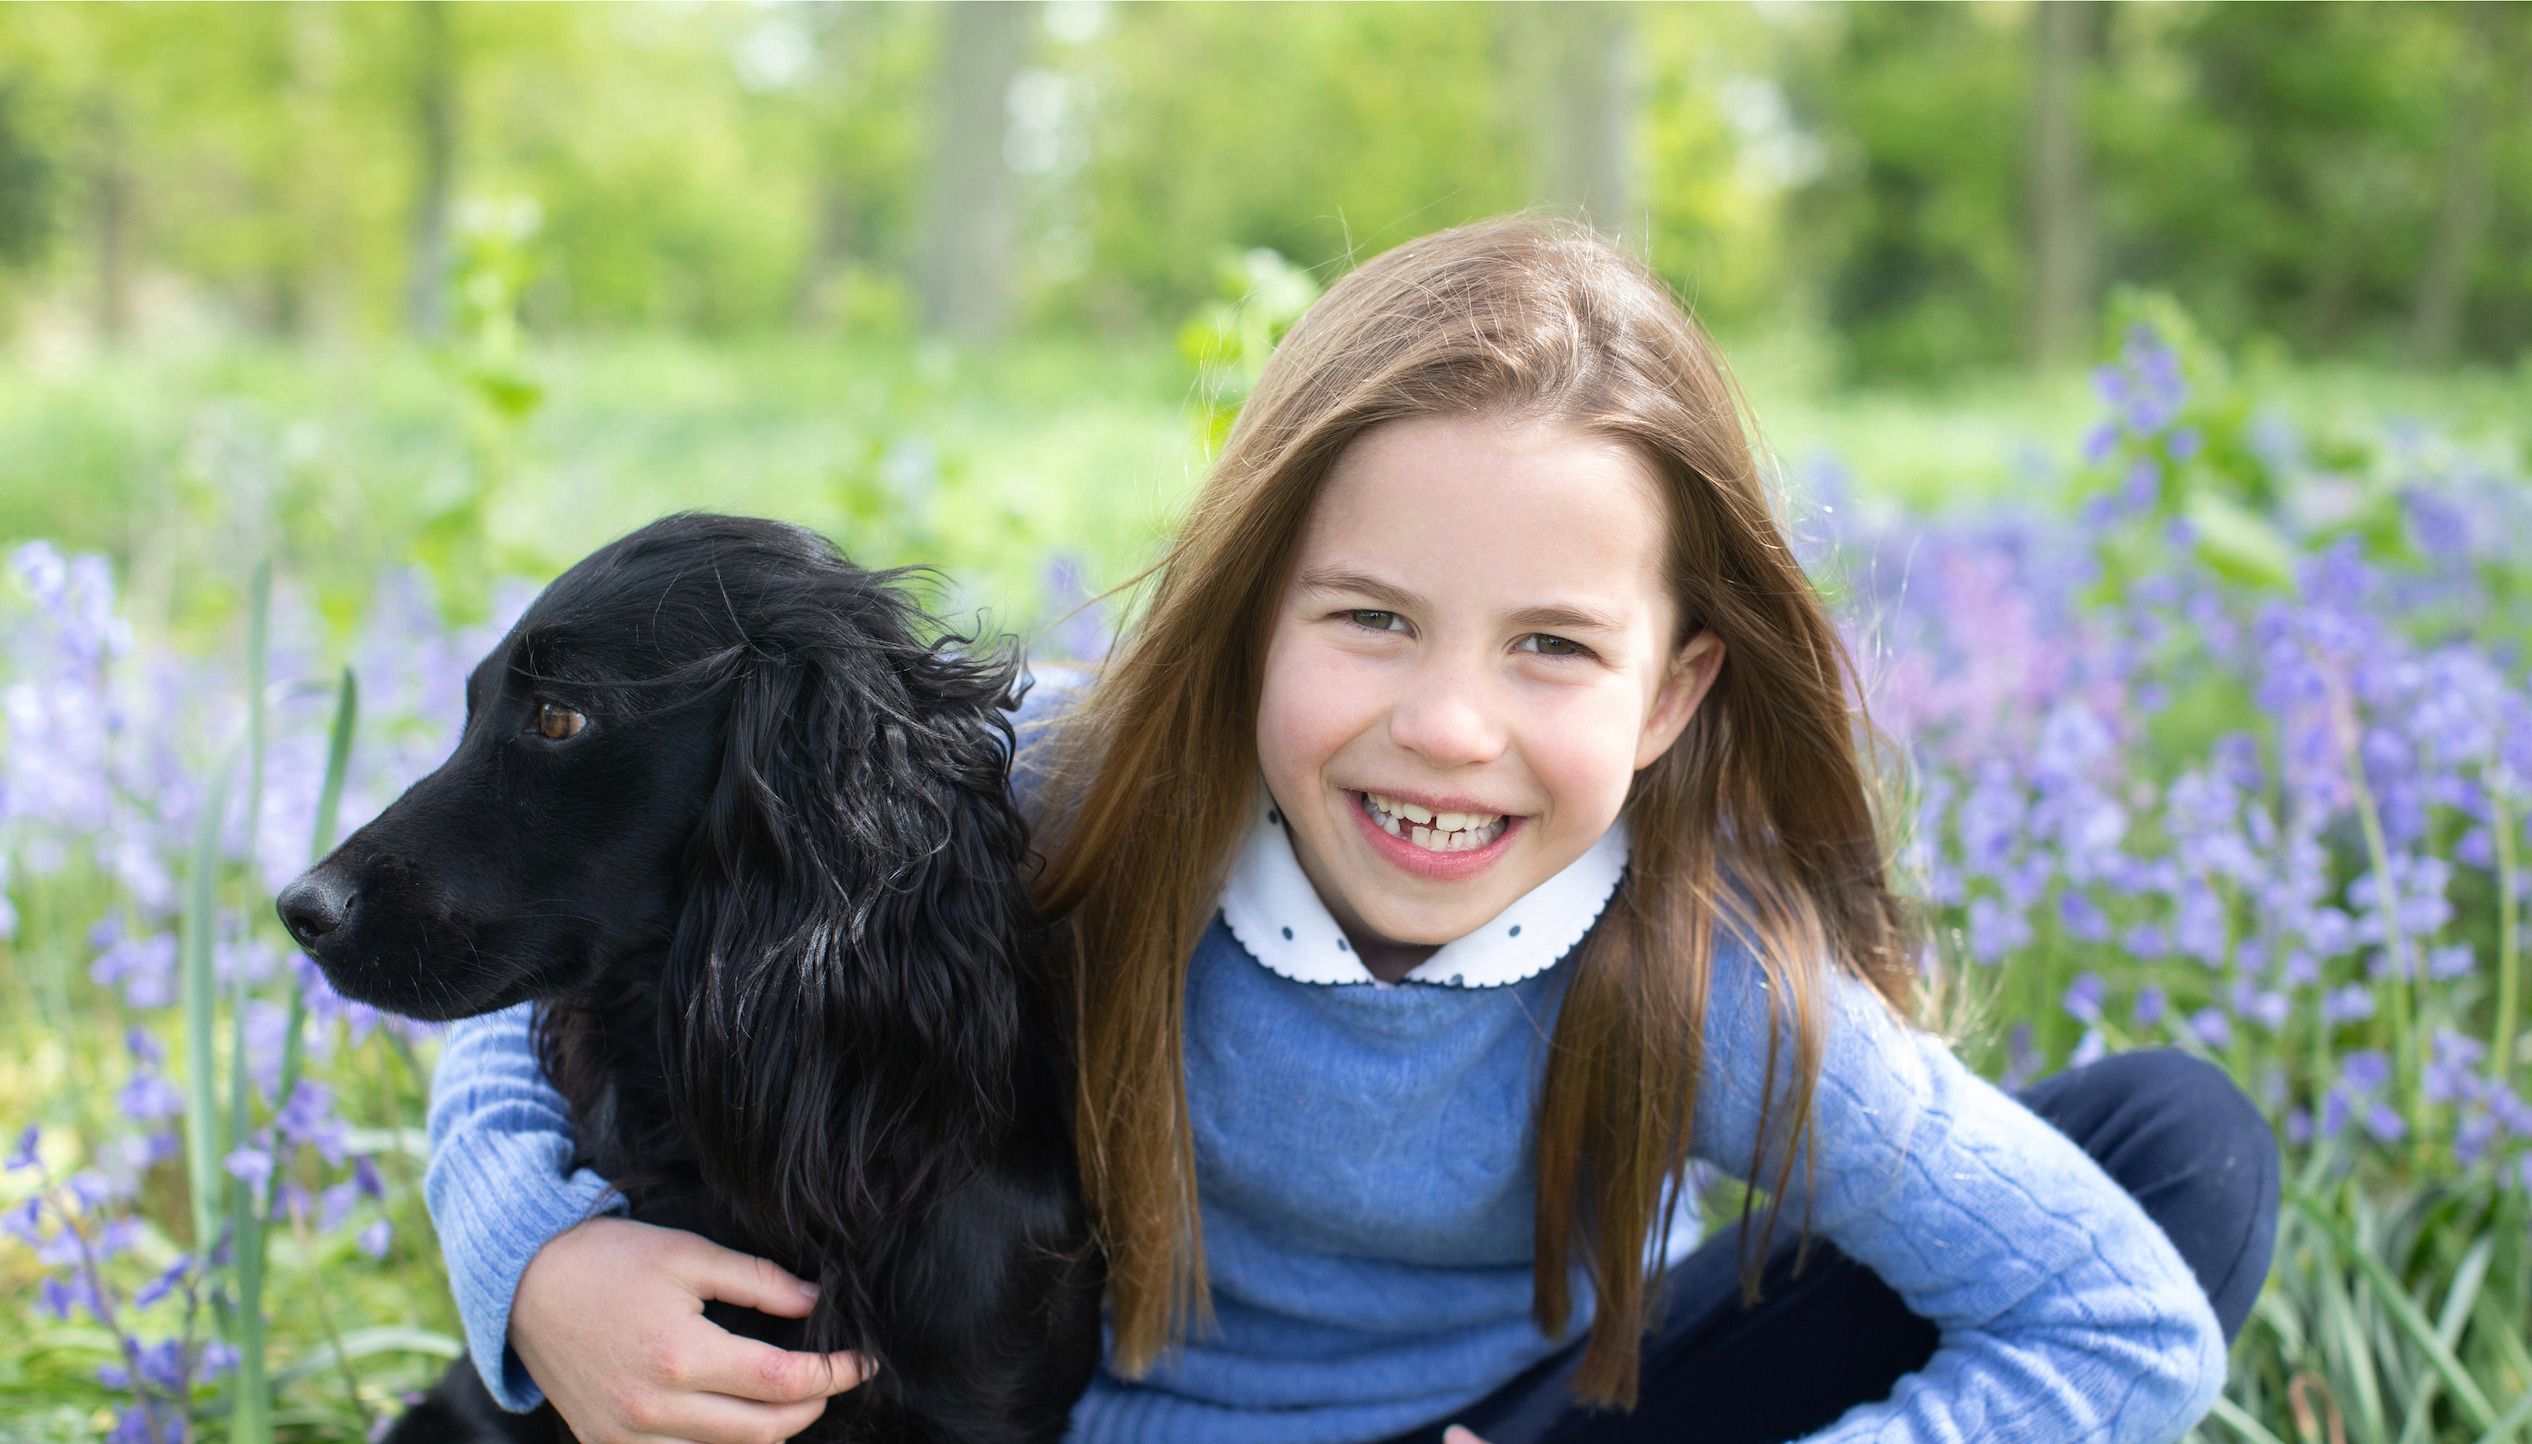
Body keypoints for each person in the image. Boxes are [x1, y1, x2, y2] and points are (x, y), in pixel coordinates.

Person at [421, 216, 2280, 1444]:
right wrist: (537, 1271)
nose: (1447, 728)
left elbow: (2116, 1321)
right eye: (1370, 618)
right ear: (1250, 619)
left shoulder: (1690, 966)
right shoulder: (1076, 794)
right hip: (1070, 1427)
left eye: (1554, 647)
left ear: (1672, 698)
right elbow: (567, 922)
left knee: (2173, 1151)